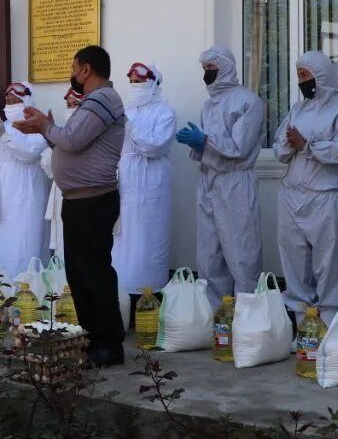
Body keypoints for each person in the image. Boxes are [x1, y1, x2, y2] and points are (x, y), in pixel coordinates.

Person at [17, 45, 127, 367]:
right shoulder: (92, 103)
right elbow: (70, 141)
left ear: (86, 70)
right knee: (78, 273)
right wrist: (49, 131)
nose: (72, 72)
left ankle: (109, 344)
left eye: (73, 66)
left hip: (94, 200)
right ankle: (91, 340)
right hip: (79, 199)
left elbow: (74, 140)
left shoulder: (103, 99)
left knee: (94, 272)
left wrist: (43, 127)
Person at [273, 52, 338, 328]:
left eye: (305, 75)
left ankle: (329, 325)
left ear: (321, 75)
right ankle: (303, 327)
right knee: (294, 261)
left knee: (330, 264)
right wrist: (291, 145)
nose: (302, 81)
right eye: (299, 75)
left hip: (327, 196)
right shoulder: (297, 110)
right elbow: (278, 149)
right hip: (292, 195)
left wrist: (307, 145)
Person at [175, 45, 264, 307]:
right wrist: (199, 145)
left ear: (225, 68)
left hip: (235, 184)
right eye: (204, 70)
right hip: (209, 182)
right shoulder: (209, 105)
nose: (207, 75)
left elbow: (240, 147)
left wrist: (205, 140)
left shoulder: (249, 101)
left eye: (211, 69)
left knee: (241, 255)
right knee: (209, 255)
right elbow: (212, 149)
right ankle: (217, 319)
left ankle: (248, 318)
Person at [112, 62, 176, 301]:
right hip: (124, 183)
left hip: (151, 185)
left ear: (153, 83)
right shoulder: (126, 110)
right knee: (122, 241)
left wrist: (131, 127)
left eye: (139, 82)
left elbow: (155, 146)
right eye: (132, 82)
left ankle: (148, 297)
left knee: (147, 241)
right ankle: (121, 297)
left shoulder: (164, 111)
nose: (134, 86)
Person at [0, 82, 50, 276]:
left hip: (25, 191)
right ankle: (3, 285)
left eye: (15, 100)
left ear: (26, 101)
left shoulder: (37, 125)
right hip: (3, 193)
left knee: (25, 241)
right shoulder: (4, 126)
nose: (10, 104)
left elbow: (29, 153)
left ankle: (27, 287)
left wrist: (4, 136)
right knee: (3, 243)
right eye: (8, 100)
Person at [42, 87, 83, 261]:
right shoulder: (61, 131)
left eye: (77, 104)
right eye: (69, 104)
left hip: (83, 194)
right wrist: (51, 142)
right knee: (62, 242)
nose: (72, 108)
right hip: (62, 192)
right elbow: (48, 167)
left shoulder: (95, 130)